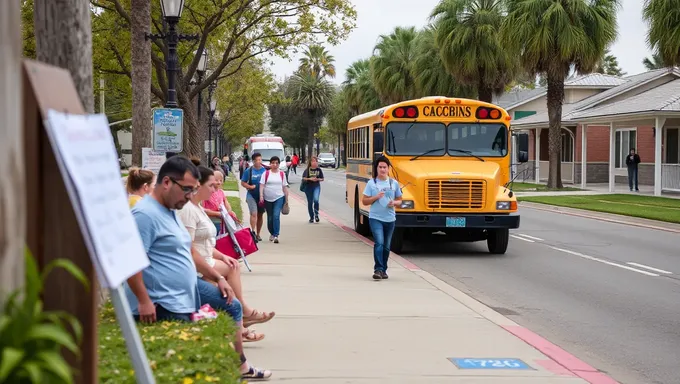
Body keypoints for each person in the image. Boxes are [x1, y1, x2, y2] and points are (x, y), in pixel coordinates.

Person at [124, 155, 272, 380]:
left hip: (182, 295)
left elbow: (190, 250)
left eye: (193, 190)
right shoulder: (145, 215)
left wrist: (217, 277)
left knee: (231, 306)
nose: (189, 196)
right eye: (186, 189)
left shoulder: (170, 210)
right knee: (180, 362)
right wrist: (144, 300)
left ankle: (239, 364)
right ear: (166, 183)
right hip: (163, 301)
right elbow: (132, 261)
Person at [178, 164, 275, 342]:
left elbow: (206, 244)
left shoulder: (198, 208)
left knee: (232, 266)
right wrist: (216, 276)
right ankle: (243, 323)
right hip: (199, 266)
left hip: (206, 260)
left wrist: (222, 256)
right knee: (231, 299)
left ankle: (242, 324)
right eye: (212, 186)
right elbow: (189, 248)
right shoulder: (188, 211)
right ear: (198, 186)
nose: (215, 189)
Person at [361, 156, 402, 280]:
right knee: (379, 243)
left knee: (386, 246)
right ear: (377, 168)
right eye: (380, 167)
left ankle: (384, 269)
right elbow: (364, 201)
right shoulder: (371, 183)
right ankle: (378, 269)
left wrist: (393, 203)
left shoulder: (393, 183)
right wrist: (376, 197)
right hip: (375, 218)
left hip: (390, 219)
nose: (382, 169)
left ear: (388, 169)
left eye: (385, 167)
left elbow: (400, 200)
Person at [259, 156, 289, 243]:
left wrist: (286, 200)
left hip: (279, 197)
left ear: (279, 164)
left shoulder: (282, 174)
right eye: (273, 163)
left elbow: (285, 187)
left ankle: (276, 235)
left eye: (276, 163)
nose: (275, 165)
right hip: (267, 198)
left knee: (276, 216)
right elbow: (262, 185)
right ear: (270, 164)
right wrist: (261, 196)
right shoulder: (266, 173)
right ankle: (272, 233)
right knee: (270, 217)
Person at [240, 152, 267, 242]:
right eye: (257, 160)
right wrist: (250, 187)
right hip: (251, 195)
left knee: (260, 215)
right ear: (253, 161)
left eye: (260, 160)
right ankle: (253, 231)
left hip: (261, 196)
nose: (259, 162)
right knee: (254, 213)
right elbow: (243, 182)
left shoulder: (265, 171)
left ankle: (258, 234)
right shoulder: (249, 170)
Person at [202, 169, 234, 233]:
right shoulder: (207, 193)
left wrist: (229, 210)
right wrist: (217, 214)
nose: (219, 182)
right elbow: (203, 209)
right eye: (216, 180)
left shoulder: (221, 192)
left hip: (222, 221)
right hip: (211, 221)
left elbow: (226, 202)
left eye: (221, 180)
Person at [301, 156, 324, 223]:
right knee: (310, 202)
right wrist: (310, 179)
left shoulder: (319, 170)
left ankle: (316, 214)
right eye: (313, 161)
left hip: (316, 186)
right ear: (310, 162)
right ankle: (311, 217)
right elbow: (303, 178)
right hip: (308, 187)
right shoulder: (307, 170)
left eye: (315, 161)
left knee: (316, 200)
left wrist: (317, 179)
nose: (314, 163)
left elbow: (322, 178)